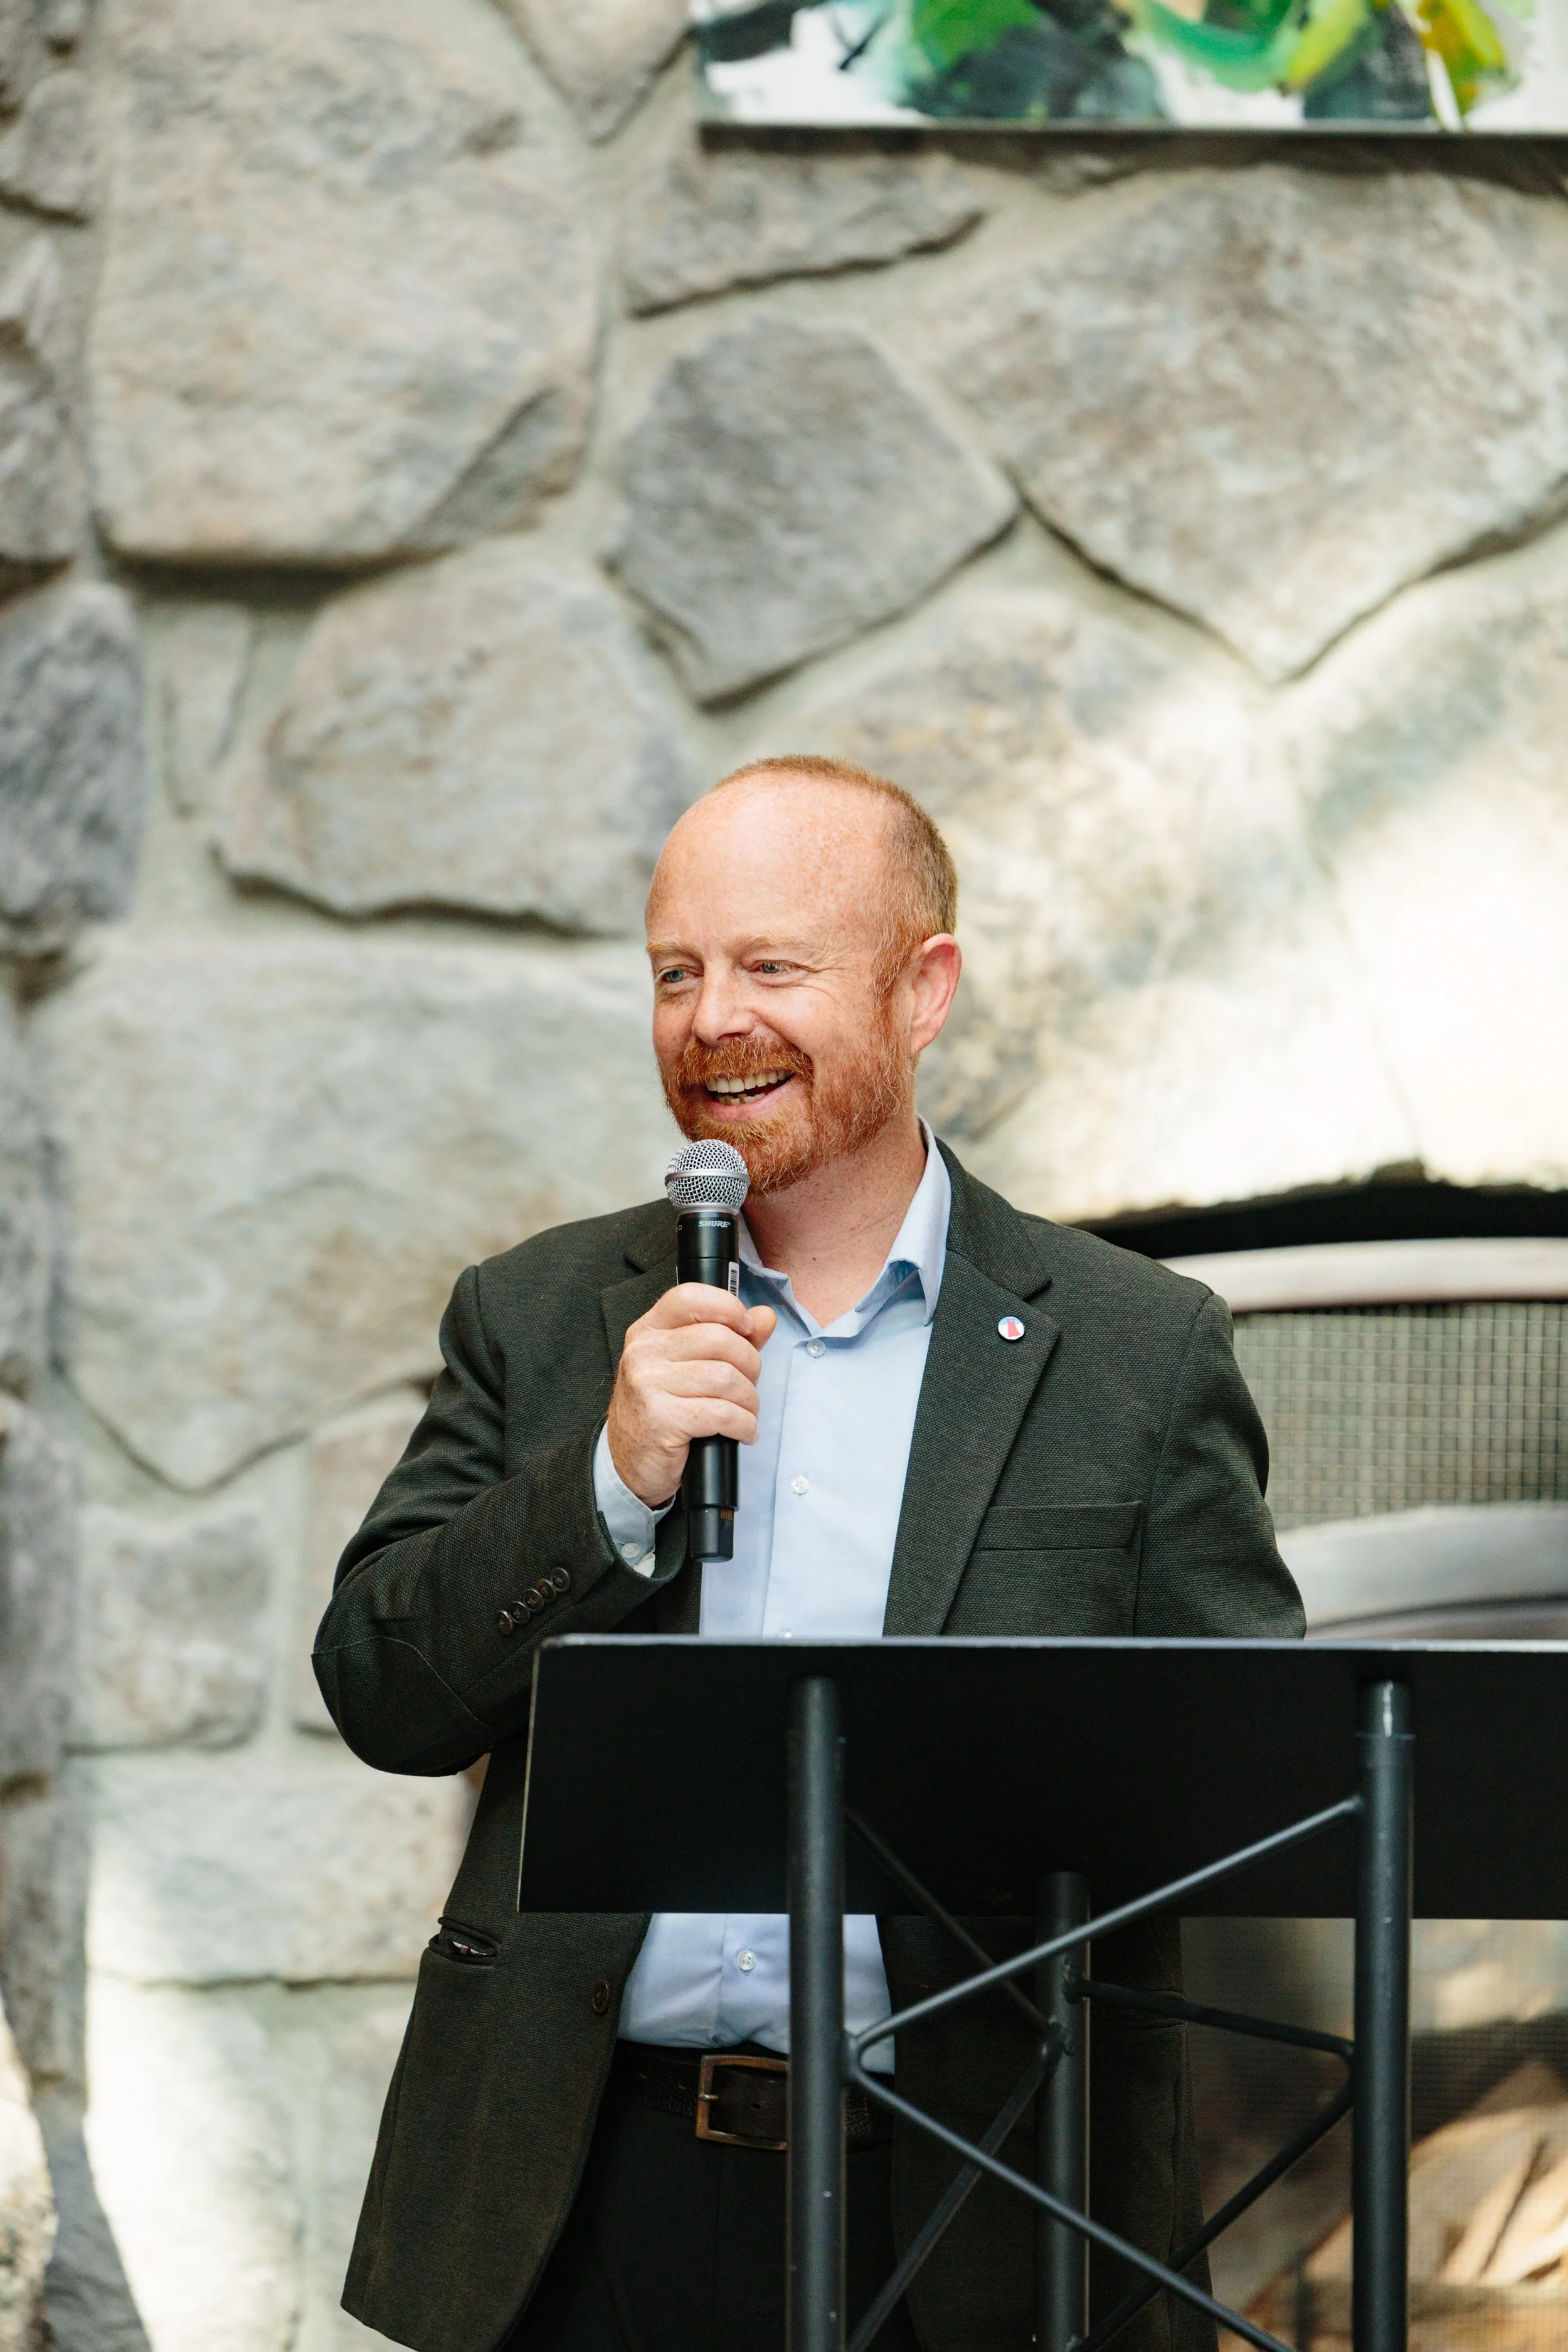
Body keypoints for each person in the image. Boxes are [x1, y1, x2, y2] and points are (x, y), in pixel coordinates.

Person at [315, 756, 1303, 2352]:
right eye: (675, 973)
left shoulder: (1136, 1351)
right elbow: (380, 1689)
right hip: (586, 2203)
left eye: (774, 966)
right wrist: (607, 1484)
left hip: (981, 2207)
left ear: (924, 992)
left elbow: (1253, 1781)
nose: (714, 1020)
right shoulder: (544, 1314)